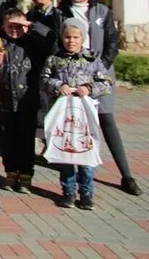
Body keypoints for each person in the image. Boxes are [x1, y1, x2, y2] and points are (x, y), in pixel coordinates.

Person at [57, 0, 141, 196]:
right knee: (75, 125)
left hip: (99, 76)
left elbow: (113, 42)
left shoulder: (101, 10)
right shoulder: (61, 11)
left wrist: (98, 67)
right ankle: (77, 177)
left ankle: (127, 174)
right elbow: (56, 40)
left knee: (107, 120)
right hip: (73, 78)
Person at [41, 18, 112, 210]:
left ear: (82, 38)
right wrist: (58, 86)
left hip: (84, 118)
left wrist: (89, 88)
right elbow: (44, 80)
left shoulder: (92, 59)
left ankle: (87, 193)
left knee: (85, 154)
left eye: (75, 37)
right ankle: (68, 191)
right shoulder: (54, 59)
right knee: (66, 155)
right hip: (63, 117)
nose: (71, 41)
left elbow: (106, 83)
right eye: (67, 37)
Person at [0, 8, 54, 194]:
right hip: (5, 102)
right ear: (3, 27)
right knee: (8, 140)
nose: (15, 29)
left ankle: (25, 174)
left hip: (27, 102)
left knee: (25, 140)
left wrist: (32, 26)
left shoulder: (33, 44)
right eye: (10, 26)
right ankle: (10, 172)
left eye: (19, 26)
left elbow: (52, 40)